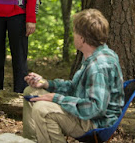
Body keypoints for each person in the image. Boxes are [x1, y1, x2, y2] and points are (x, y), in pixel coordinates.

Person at [22, 8, 124, 142]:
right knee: (31, 91)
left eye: (75, 32)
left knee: (42, 109)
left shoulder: (98, 67)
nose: (73, 35)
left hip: (95, 122)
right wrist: (47, 84)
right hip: (88, 114)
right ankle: (32, 140)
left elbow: (95, 109)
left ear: (82, 39)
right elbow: (75, 88)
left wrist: (56, 98)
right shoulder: (92, 55)